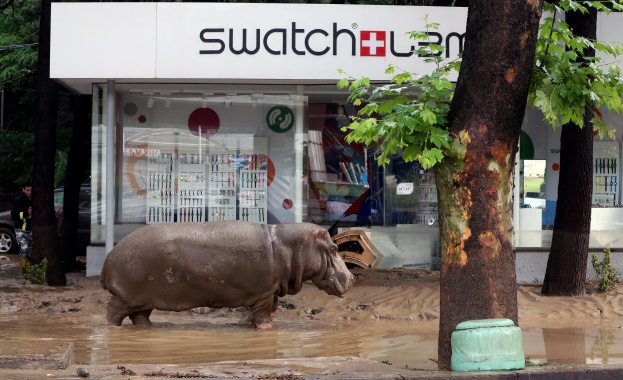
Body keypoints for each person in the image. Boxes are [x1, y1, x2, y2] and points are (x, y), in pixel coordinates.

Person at [11, 181, 33, 271]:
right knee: (24, 248)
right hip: (21, 230)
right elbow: (14, 216)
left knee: (32, 251)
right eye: (27, 190)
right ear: (23, 189)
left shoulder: (36, 199)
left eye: (31, 190)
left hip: (33, 230)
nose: (30, 192)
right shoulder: (18, 200)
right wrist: (26, 213)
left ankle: (31, 269)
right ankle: (24, 270)